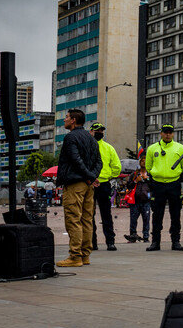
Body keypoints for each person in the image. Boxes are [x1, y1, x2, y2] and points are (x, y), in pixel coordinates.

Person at [55, 109, 102, 268]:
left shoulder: (70, 137)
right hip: (89, 185)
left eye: (67, 117)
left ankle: (75, 256)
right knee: (87, 219)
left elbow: (76, 160)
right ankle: (84, 255)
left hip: (75, 183)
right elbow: (99, 163)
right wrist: (92, 177)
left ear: (74, 120)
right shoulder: (92, 139)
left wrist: (88, 176)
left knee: (73, 218)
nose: (64, 120)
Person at [143, 125, 183, 251]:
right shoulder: (152, 148)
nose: (168, 135)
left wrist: (178, 176)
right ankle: (155, 242)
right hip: (158, 184)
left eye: (170, 133)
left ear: (173, 134)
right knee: (157, 214)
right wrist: (154, 175)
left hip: (173, 184)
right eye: (165, 132)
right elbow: (148, 165)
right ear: (161, 134)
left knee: (175, 214)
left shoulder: (180, 148)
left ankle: (176, 241)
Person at [90, 122, 121, 252]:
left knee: (105, 214)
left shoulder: (108, 148)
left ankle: (109, 241)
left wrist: (108, 176)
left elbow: (117, 167)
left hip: (102, 184)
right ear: (91, 131)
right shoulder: (87, 146)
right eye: (97, 130)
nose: (100, 133)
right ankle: (93, 242)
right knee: (89, 215)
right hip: (90, 184)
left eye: (101, 131)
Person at [122, 168, 151, 243]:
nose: (143, 162)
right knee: (133, 220)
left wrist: (147, 179)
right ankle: (132, 236)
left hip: (146, 201)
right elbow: (129, 186)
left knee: (146, 220)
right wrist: (136, 181)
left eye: (145, 160)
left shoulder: (150, 174)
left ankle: (146, 237)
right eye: (142, 160)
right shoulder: (134, 174)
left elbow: (153, 186)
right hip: (135, 201)